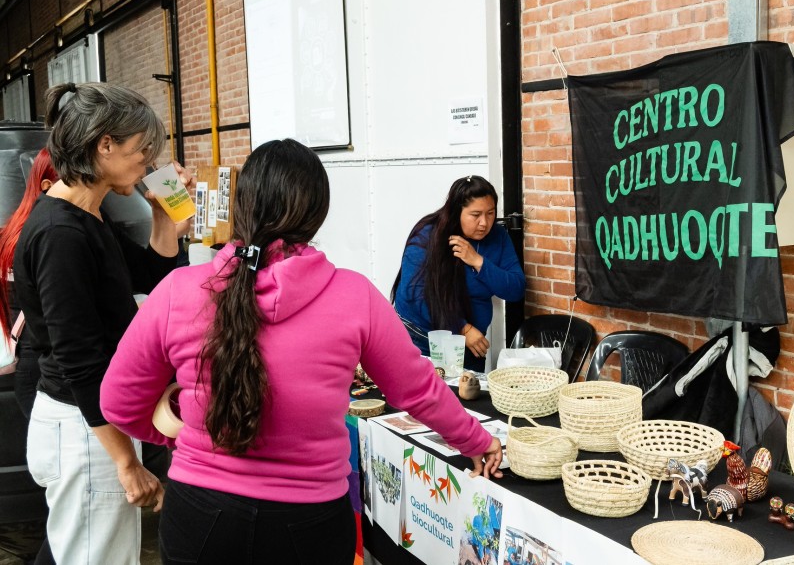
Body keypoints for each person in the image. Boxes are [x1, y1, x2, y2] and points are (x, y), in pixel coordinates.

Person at [100, 138, 503, 565]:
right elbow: (418, 391)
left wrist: (190, 436)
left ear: (243, 204)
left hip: (200, 516)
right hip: (310, 524)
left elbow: (118, 403)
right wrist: (477, 440)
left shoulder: (179, 290)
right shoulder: (354, 295)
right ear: (317, 214)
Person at [13, 82, 190, 565]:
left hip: (90, 426)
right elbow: (80, 359)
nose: (146, 160)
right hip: (84, 431)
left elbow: (152, 274)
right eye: (140, 149)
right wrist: (126, 462)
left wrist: (162, 215)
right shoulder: (60, 234)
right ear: (104, 144)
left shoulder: (89, 218)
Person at [391, 175, 525, 372]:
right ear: (456, 212)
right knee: (422, 398)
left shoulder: (497, 236)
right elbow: (415, 295)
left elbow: (516, 289)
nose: (484, 223)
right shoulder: (427, 234)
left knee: (466, 398)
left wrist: (478, 262)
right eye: (475, 214)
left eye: (490, 213)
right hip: (420, 335)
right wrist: (463, 328)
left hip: (470, 344)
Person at [0, 149, 58, 417]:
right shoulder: (46, 234)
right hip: (46, 364)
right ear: (47, 185)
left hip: (25, 358)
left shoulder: (11, 232)